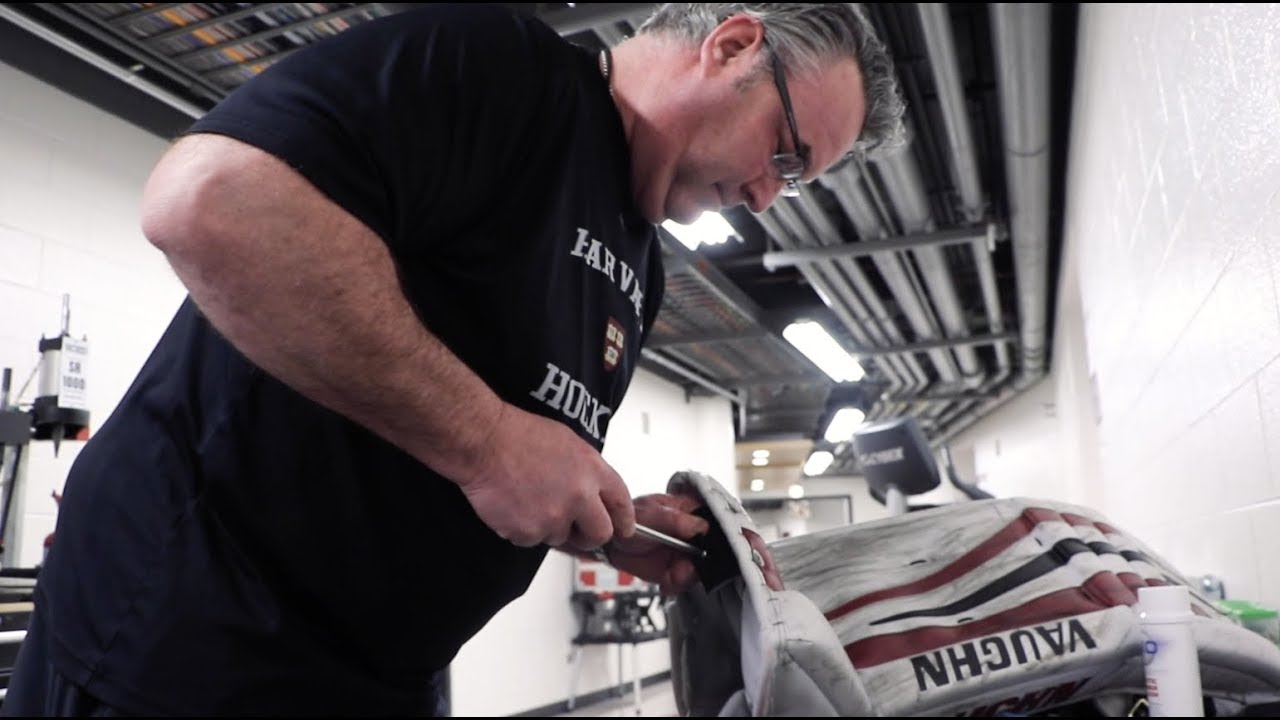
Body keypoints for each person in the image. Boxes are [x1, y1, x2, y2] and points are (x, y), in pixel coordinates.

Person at [3, 3, 905, 715]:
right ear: (734, 45)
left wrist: (595, 516)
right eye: (784, 158)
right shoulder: (503, 72)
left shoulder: (640, 262)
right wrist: (487, 442)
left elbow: (468, 445)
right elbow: (206, 202)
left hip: (379, 676)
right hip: (197, 643)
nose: (764, 198)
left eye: (795, 185)